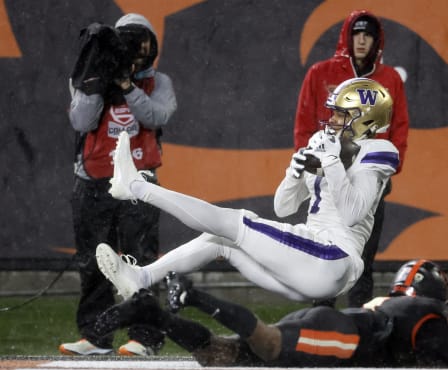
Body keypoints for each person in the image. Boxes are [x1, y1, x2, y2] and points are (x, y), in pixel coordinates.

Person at [94, 77, 398, 305]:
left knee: (236, 221)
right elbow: (283, 207)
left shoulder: (378, 149)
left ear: (365, 119)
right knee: (219, 241)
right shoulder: (326, 140)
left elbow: (352, 213)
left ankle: (136, 187)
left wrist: (331, 162)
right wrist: (295, 173)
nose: (332, 120)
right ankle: (142, 277)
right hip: (312, 261)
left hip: (336, 257)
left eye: (341, 115)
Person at [93, 260, 448, 369]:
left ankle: (153, 314)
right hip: (344, 340)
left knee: (219, 354)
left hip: (331, 325)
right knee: (270, 344)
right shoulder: (421, 311)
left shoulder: (391, 303)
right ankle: (195, 295)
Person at [60, 13, 177, 357]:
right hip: (93, 180)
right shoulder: (89, 75)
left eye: (143, 48)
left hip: (140, 182)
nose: (136, 55)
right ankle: (95, 336)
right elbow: (80, 121)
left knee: (140, 260)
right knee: (93, 262)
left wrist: (128, 87)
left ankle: (146, 337)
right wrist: (100, 82)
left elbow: (156, 117)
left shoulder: (160, 82)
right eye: (129, 48)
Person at [294, 10, 410, 307]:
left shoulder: (390, 79)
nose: (361, 40)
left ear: (377, 41)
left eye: (368, 35)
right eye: (356, 34)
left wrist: (385, 169)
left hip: (368, 178)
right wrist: (310, 164)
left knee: (362, 257)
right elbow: (304, 124)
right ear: (347, 37)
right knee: (321, 254)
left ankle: (358, 328)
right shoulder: (321, 73)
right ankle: (317, 322)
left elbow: (399, 128)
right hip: (327, 175)